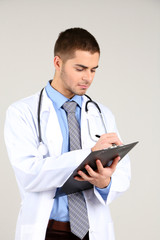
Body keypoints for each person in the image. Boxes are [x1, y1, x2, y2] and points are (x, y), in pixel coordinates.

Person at [4, 28, 131, 240]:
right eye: (80, 68)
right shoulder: (21, 112)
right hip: (48, 231)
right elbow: (29, 174)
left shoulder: (102, 114)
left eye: (93, 70)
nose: (87, 78)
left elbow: (122, 175)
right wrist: (87, 154)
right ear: (57, 63)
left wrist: (105, 183)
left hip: (93, 231)